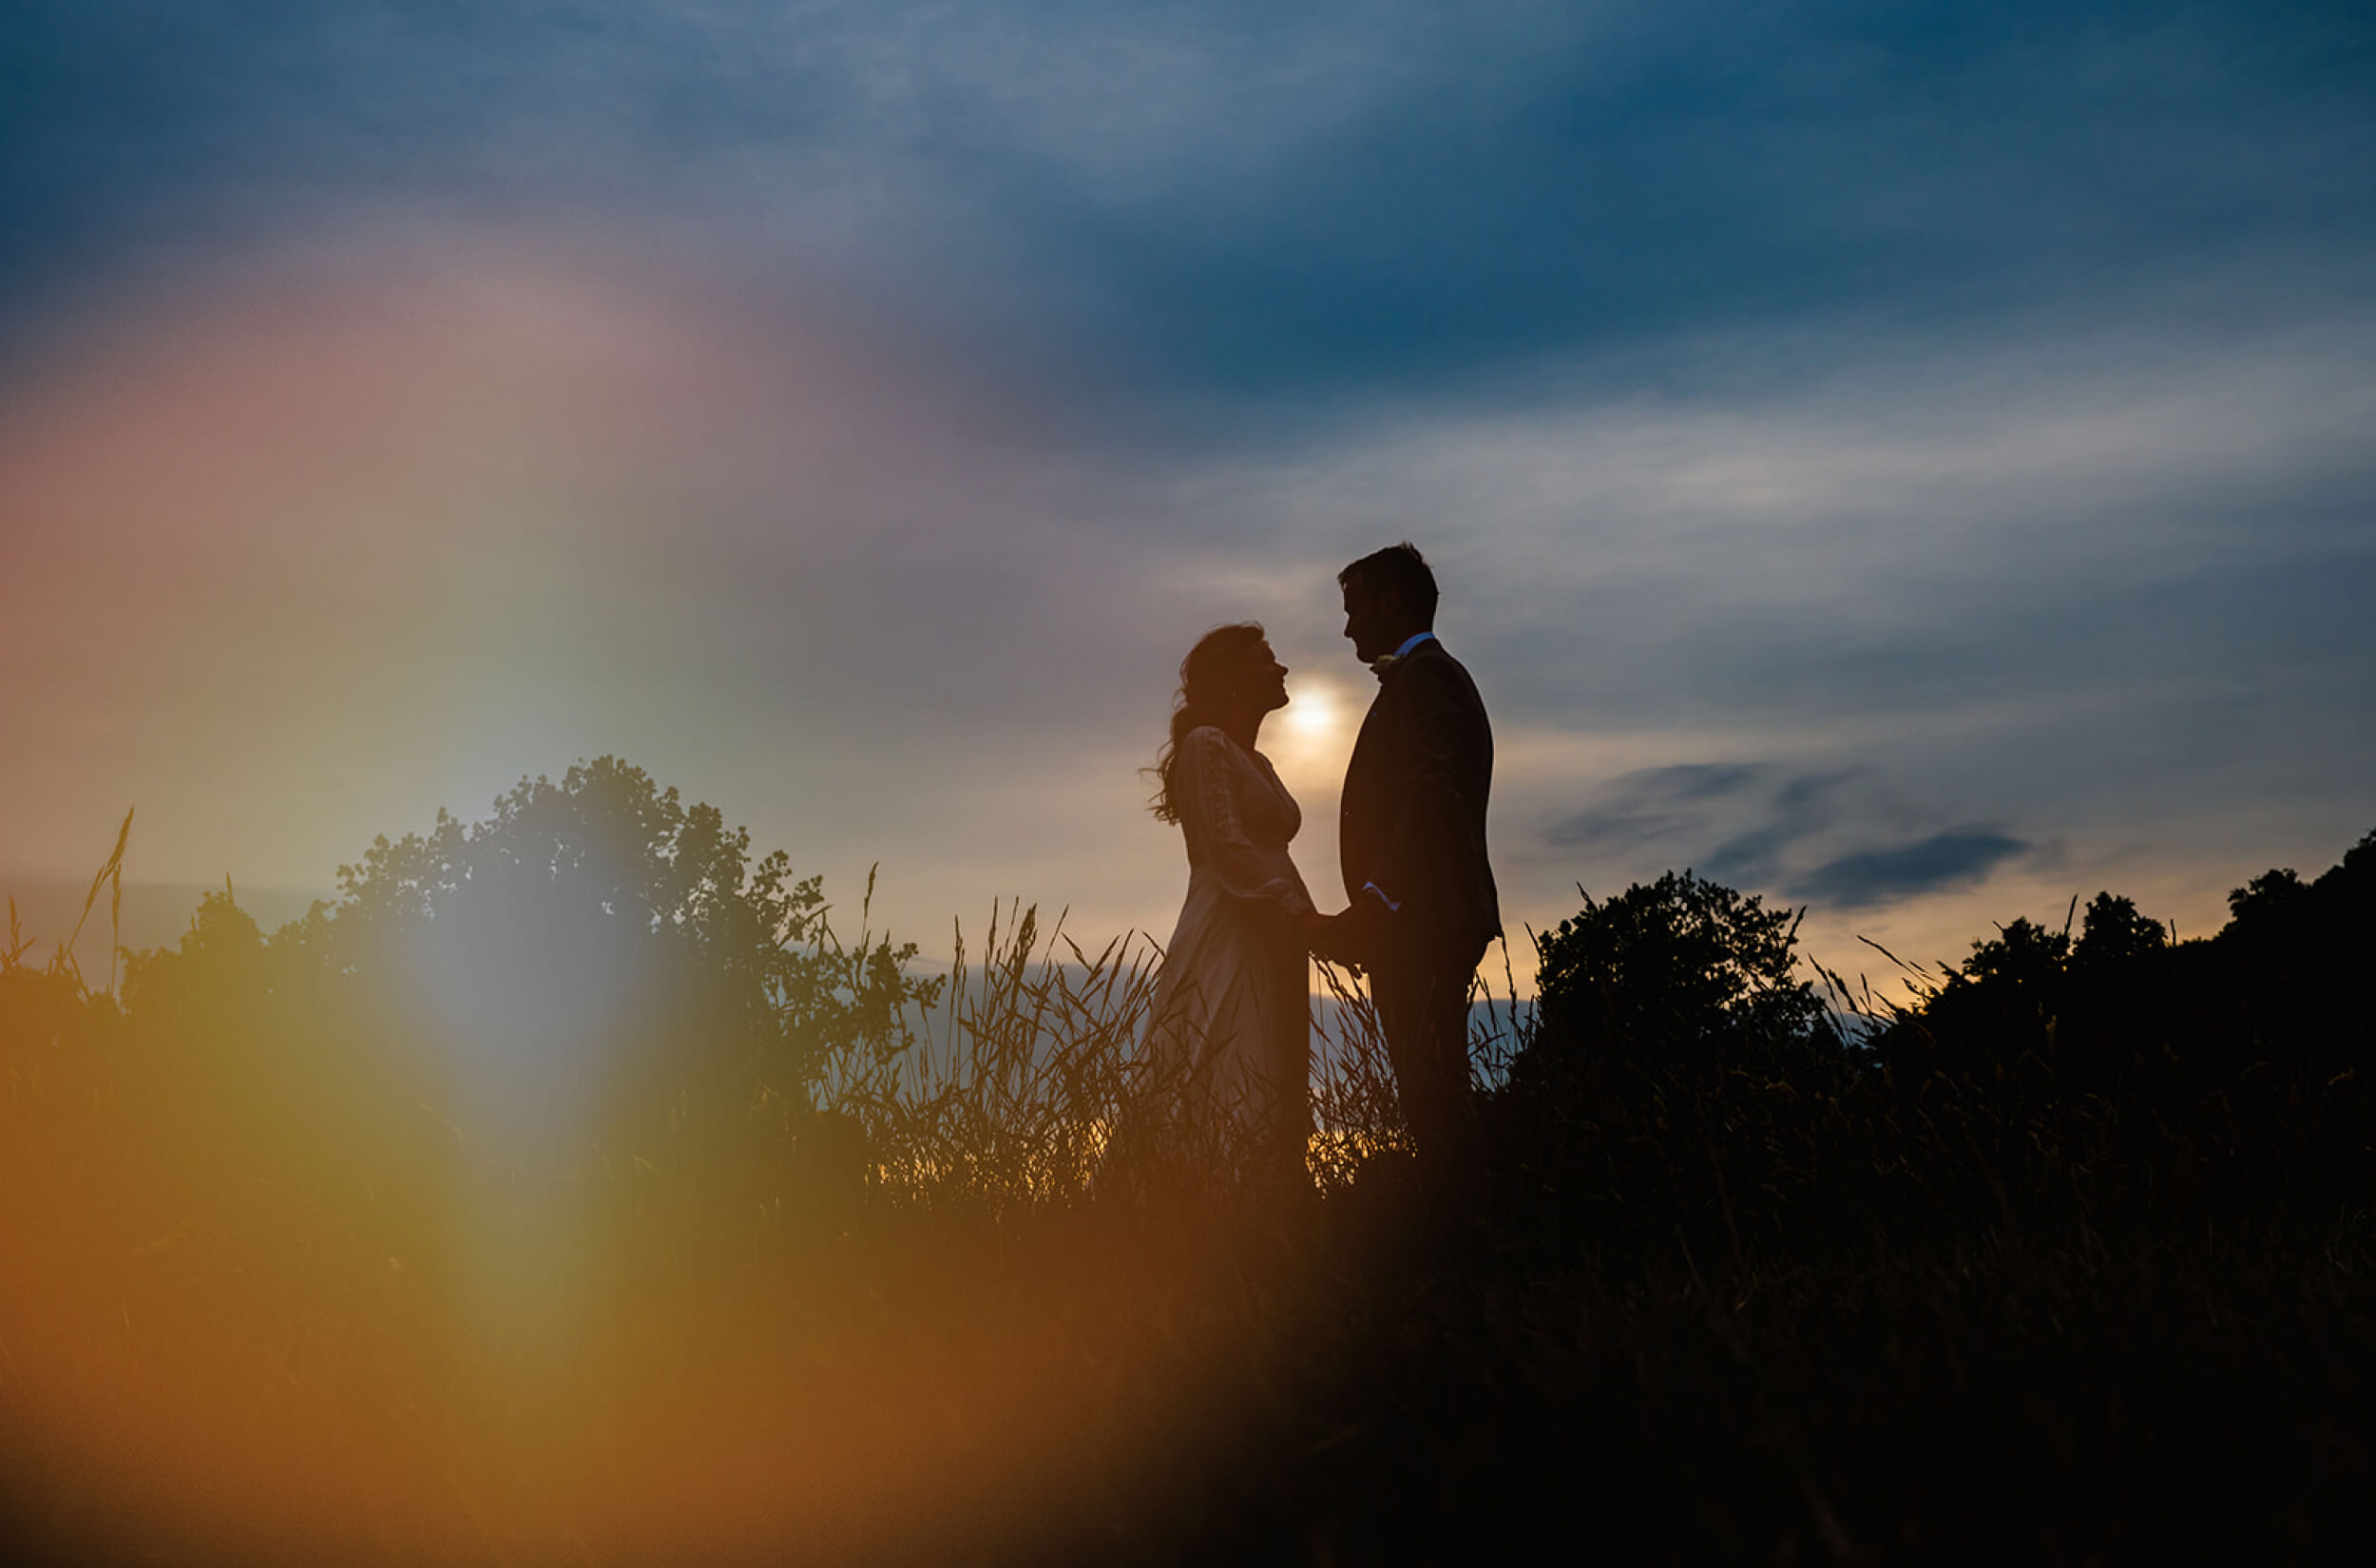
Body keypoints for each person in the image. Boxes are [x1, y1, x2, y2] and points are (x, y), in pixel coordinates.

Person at [1310, 544, 1499, 1208]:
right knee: (1431, 1092)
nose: (1348, 627)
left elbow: (1431, 796)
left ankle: (1464, 1238)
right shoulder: (1417, 680)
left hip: (1424, 921)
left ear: (1390, 601)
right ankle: (1461, 1228)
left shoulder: (1428, 680)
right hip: (1416, 919)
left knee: (1435, 1095)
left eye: (1354, 607)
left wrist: (1376, 902)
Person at [1140, 623, 1320, 1185]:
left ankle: (1273, 1202)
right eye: (1267, 660)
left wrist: (1302, 926)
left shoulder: (1256, 762)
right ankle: (1212, 1203)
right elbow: (1228, 847)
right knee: (1232, 1054)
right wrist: (1298, 915)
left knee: (1273, 1060)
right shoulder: (1207, 745)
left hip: (1273, 930)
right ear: (1234, 680)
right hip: (1233, 925)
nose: (1281, 669)